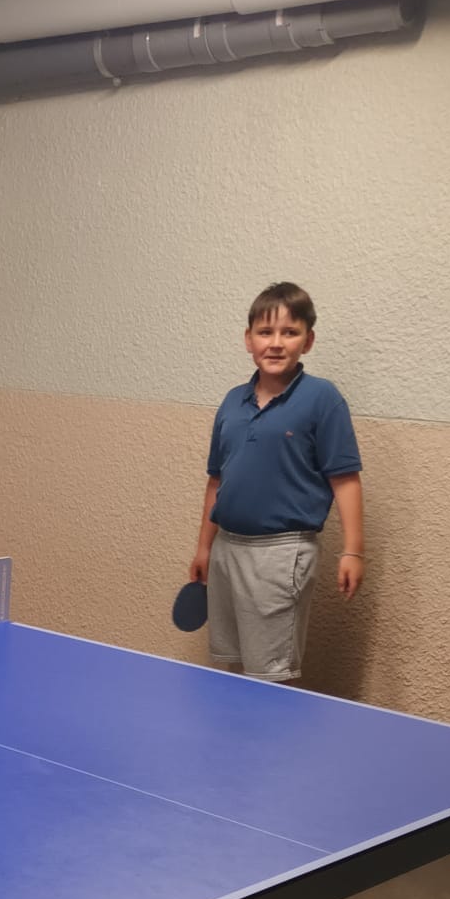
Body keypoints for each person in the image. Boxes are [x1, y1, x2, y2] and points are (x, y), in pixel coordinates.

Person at [188, 281, 364, 684]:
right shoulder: (232, 401)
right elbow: (217, 481)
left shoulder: (322, 398)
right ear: (248, 339)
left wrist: (354, 551)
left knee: (271, 675)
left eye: (290, 332)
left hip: (281, 553)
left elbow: (345, 480)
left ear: (308, 341)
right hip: (226, 548)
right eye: (265, 332)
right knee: (232, 664)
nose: (276, 343)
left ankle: (271, 727)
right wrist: (204, 547)